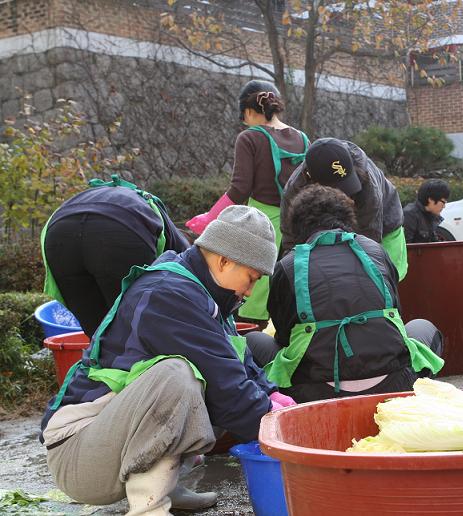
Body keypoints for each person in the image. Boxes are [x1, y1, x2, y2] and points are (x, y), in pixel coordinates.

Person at [40, 205, 295, 516]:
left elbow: (234, 361)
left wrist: (271, 394)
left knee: (198, 381)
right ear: (224, 260)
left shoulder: (204, 294)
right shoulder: (168, 295)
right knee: (179, 375)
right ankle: (149, 507)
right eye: (251, 278)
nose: (250, 291)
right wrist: (285, 429)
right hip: (79, 454)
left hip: (110, 442)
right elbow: (230, 393)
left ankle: (166, 485)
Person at [248, 184, 444, 403]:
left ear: (296, 228)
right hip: (395, 382)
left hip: (314, 392)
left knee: (250, 343)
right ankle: (417, 400)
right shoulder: (375, 251)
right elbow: (395, 318)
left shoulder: (288, 265)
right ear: (348, 219)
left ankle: (276, 411)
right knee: (423, 327)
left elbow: (284, 338)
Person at [186, 79, 308, 322]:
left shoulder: (250, 138)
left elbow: (239, 189)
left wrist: (210, 220)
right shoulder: (303, 139)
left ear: (250, 111)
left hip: (261, 231)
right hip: (298, 230)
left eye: (244, 116)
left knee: (250, 301)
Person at [42, 174, 190, 337]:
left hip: (59, 231)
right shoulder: (180, 243)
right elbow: (190, 285)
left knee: (98, 335)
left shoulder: (137, 203)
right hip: (120, 228)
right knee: (140, 330)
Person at [279, 138, 408, 280]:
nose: (346, 195)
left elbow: (369, 241)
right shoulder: (294, 191)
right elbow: (292, 242)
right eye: (337, 189)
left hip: (384, 226)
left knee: (383, 279)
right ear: (311, 179)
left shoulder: (368, 184)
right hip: (325, 233)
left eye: (346, 186)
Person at [403, 179, 450, 243]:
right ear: (431, 199)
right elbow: (406, 247)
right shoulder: (409, 215)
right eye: (443, 202)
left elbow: (434, 244)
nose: (444, 206)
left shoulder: (429, 214)